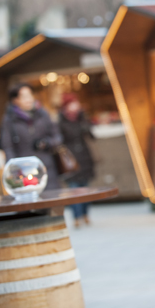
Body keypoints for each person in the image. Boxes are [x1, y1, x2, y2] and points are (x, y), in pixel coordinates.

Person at [0, 83, 62, 189]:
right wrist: (13, 171)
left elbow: (57, 137)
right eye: (23, 96)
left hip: (47, 167)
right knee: (32, 202)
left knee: (52, 199)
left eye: (30, 95)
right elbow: (8, 147)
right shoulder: (9, 120)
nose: (29, 99)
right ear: (15, 100)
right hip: (24, 170)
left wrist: (46, 143)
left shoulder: (43, 114)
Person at [59, 93, 96, 228]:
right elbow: (59, 141)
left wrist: (84, 119)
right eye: (72, 104)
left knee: (85, 188)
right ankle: (76, 217)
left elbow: (92, 135)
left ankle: (86, 214)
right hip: (71, 160)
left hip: (85, 158)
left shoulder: (81, 119)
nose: (76, 106)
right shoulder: (61, 121)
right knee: (74, 189)